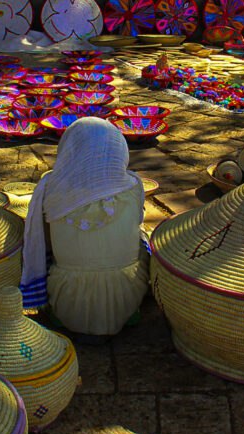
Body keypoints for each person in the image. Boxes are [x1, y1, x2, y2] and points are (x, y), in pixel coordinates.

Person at [21, 117, 148, 337]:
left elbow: (44, 241)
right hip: (126, 296)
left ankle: (55, 311)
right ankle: (129, 312)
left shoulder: (51, 188)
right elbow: (135, 224)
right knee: (143, 238)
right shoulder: (133, 184)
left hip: (68, 302)